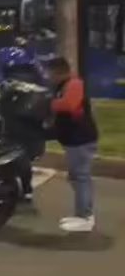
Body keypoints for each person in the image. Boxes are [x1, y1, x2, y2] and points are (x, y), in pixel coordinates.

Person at [45, 56, 99, 232]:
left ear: (59, 72)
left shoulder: (74, 84)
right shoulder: (61, 86)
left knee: (81, 177)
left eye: (50, 73)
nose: (48, 77)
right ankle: (82, 214)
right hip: (73, 139)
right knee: (76, 177)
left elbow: (69, 105)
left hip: (81, 140)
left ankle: (85, 217)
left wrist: (48, 104)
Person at [0, 47, 49, 202]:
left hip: (17, 128)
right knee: (20, 159)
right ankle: (24, 190)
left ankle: (21, 190)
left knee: (14, 157)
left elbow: (1, 105)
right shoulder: (34, 78)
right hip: (29, 129)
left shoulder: (10, 84)